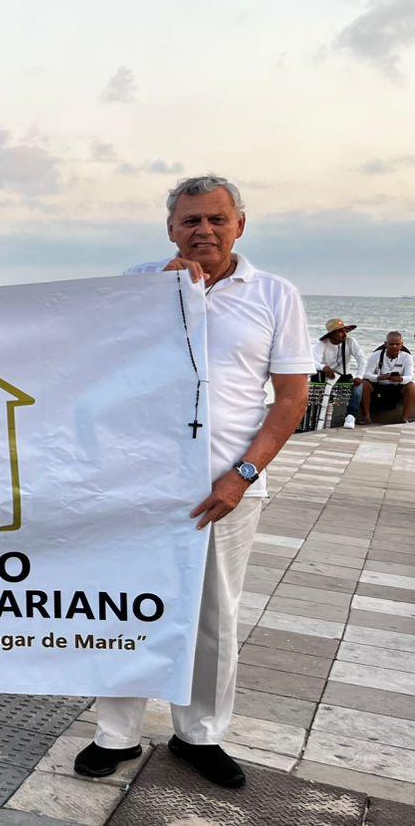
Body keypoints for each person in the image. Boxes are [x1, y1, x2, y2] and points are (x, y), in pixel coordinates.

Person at [74, 175, 311, 789]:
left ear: (239, 225)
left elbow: (289, 401)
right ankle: (116, 734)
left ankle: (199, 734)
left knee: (213, 615)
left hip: (225, 488)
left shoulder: (275, 295)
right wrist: (165, 296)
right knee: (124, 605)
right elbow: (96, 366)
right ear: (170, 228)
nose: (203, 231)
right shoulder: (140, 283)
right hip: (139, 482)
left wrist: (243, 474)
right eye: (190, 221)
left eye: (215, 220)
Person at [358, 331, 414, 423]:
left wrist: (401, 379)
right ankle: (366, 417)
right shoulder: (376, 355)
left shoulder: (407, 357)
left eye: (397, 344)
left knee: (411, 386)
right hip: (379, 386)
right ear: (385, 344)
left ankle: (405, 418)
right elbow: (365, 374)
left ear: (402, 344)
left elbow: (410, 376)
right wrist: (378, 377)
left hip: (397, 387)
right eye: (391, 344)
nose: (394, 347)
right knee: (364, 383)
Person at [315, 317, 365, 415]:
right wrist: (323, 367)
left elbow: (362, 359)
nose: (345, 334)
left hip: (343, 377)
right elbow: (312, 361)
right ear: (332, 334)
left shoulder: (351, 341)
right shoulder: (322, 344)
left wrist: (359, 376)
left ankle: (351, 416)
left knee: (359, 387)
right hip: (327, 378)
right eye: (340, 331)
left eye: (345, 330)